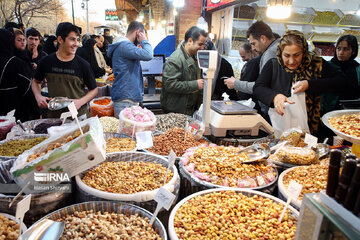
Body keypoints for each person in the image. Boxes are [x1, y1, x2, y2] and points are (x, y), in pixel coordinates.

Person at [253, 30, 343, 134]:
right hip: (279, 123)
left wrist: (310, 84)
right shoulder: (273, 64)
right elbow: (258, 88)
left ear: (304, 52)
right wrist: (275, 96)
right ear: (280, 52)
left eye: (296, 55)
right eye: (286, 55)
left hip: (311, 125)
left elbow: (341, 81)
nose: (291, 61)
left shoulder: (316, 63)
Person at [31, 22, 98, 118]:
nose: (76, 44)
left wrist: (80, 101)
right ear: (60, 39)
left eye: (78, 40)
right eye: (72, 39)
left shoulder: (83, 65)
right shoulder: (46, 62)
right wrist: (38, 96)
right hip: (55, 117)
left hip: (78, 117)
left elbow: (94, 89)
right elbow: (35, 81)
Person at [107, 21, 153, 117]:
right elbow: (148, 55)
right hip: (126, 99)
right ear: (138, 32)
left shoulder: (123, 46)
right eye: (143, 34)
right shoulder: (125, 46)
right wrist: (144, 40)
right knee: (128, 131)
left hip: (126, 97)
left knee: (129, 130)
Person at [161, 26, 207, 115]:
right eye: (200, 44)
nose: (202, 48)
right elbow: (169, 84)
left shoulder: (194, 58)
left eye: (203, 45)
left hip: (188, 110)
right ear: (190, 41)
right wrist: (195, 84)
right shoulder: (176, 59)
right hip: (175, 112)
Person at [322, 35, 360, 113]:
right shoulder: (327, 66)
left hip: (352, 112)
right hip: (328, 111)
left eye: (346, 49)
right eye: (338, 48)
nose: (341, 52)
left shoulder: (357, 69)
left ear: (353, 51)